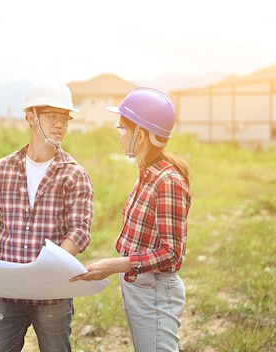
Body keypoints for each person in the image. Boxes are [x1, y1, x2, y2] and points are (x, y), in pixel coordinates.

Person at [0, 78, 94, 352]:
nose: (59, 125)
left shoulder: (74, 174)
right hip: (7, 291)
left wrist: (48, 267)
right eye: (52, 117)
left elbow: (79, 230)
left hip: (52, 292)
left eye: (64, 119)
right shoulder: (2, 168)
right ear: (31, 117)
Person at [70, 87, 191, 352]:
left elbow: (172, 254)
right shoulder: (146, 173)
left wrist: (116, 265)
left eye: (123, 128)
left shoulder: (168, 182)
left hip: (155, 291)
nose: (119, 134)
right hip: (140, 286)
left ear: (142, 134)